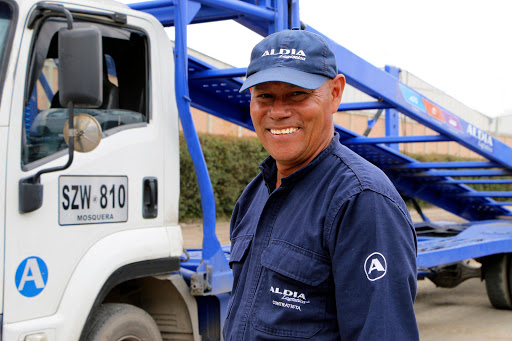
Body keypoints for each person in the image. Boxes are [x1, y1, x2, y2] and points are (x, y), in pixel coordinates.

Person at [223, 29, 419, 340]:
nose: (278, 112)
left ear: (335, 93)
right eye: (264, 96)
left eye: (297, 94)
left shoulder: (361, 201)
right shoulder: (255, 194)